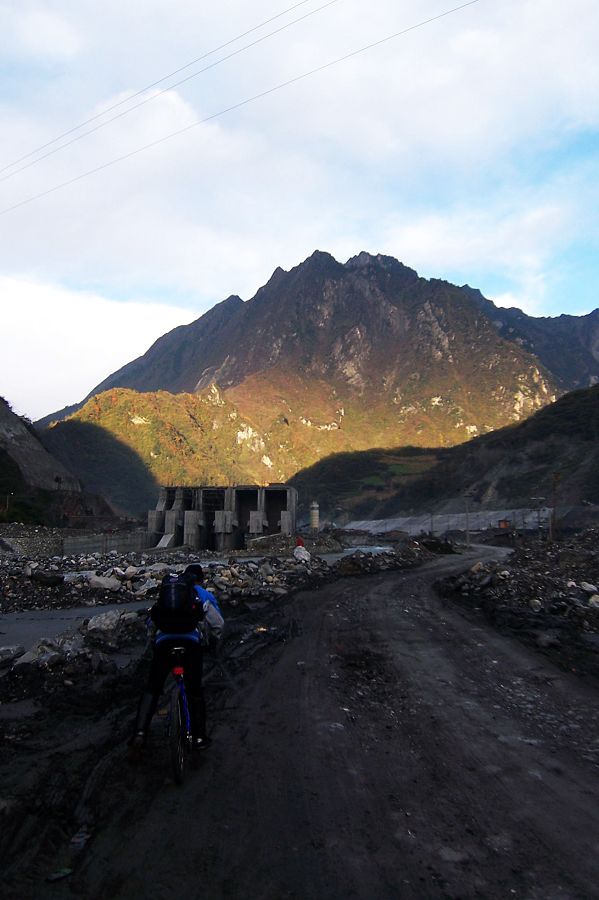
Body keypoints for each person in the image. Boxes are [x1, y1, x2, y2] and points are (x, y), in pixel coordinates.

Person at [128, 564, 224, 762]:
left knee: (152, 688)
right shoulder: (202, 595)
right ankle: (199, 738)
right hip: (190, 645)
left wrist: (153, 642)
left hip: (164, 644)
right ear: (200, 580)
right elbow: (218, 624)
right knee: (194, 690)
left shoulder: (167, 595)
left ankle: (140, 733)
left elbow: (152, 622)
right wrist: (212, 644)